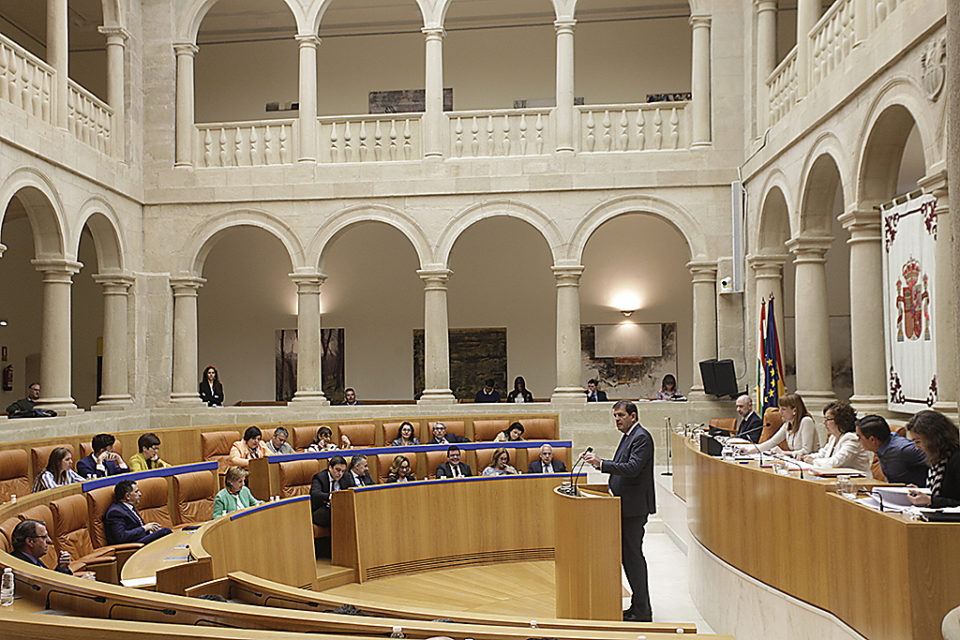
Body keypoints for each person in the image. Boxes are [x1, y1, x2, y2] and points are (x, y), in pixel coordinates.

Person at [583, 400, 655, 622]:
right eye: (615, 416)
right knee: (628, 558)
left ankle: (643, 611)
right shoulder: (629, 436)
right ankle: (637, 605)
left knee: (633, 558)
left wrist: (601, 463)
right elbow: (622, 466)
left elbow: (632, 469)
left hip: (633, 509)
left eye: (621, 415)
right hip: (623, 506)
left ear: (633, 416)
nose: (617, 419)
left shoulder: (641, 437)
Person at [906, 410, 960, 508]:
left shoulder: (956, 460)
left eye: (918, 442)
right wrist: (921, 493)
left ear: (934, 439)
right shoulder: (939, 459)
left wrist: (931, 500)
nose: (916, 447)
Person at [800, 400, 871, 473]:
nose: (824, 423)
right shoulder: (833, 437)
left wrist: (813, 461)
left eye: (828, 419)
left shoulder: (851, 438)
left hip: (858, 481)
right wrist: (807, 457)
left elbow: (836, 462)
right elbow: (822, 454)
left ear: (840, 420)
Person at [855, 414, 927, 486]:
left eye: (859, 437)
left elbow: (935, 456)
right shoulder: (882, 446)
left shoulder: (903, 449)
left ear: (872, 440)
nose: (858, 440)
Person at [104, 480, 172, 545]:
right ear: (127, 496)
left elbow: (136, 527)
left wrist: (150, 531)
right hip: (132, 544)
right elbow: (121, 536)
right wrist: (145, 528)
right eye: (136, 492)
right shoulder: (115, 512)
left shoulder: (129, 507)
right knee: (165, 531)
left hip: (139, 538)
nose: (140, 494)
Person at [755, 393, 820, 456]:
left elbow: (806, 451)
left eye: (783, 409)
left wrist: (783, 452)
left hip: (810, 463)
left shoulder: (806, 421)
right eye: (779, 408)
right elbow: (772, 442)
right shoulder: (788, 424)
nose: (780, 412)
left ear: (794, 411)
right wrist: (750, 450)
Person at [310, 456, 348, 527]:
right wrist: (332, 497)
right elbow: (315, 494)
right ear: (330, 468)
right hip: (321, 510)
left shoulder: (344, 477)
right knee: (337, 514)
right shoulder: (319, 477)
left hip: (338, 508)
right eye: (338, 470)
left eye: (343, 471)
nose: (340, 474)